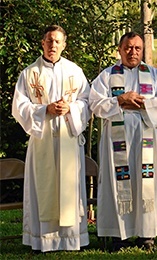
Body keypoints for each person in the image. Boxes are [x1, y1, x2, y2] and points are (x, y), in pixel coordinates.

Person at [90, 32, 157, 251]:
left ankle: (146, 235)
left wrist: (142, 103)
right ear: (119, 49)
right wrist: (120, 100)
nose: (133, 52)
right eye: (128, 47)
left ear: (143, 50)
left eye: (137, 48)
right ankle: (119, 235)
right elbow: (95, 104)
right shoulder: (107, 76)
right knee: (118, 182)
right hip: (117, 139)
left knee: (146, 182)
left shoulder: (154, 75)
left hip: (146, 137)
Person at [12, 25, 91, 252]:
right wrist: (45, 109)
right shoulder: (29, 73)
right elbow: (19, 106)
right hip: (42, 140)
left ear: (64, 45)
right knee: (42, 187)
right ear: (42, 43)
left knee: (69, 186)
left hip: (67, 136)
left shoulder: (75, 71)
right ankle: (41, 240)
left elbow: (87, 102)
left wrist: (71, 108)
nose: (53, 45)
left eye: (57, 41)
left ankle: (71, 240)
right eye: (49, 41)